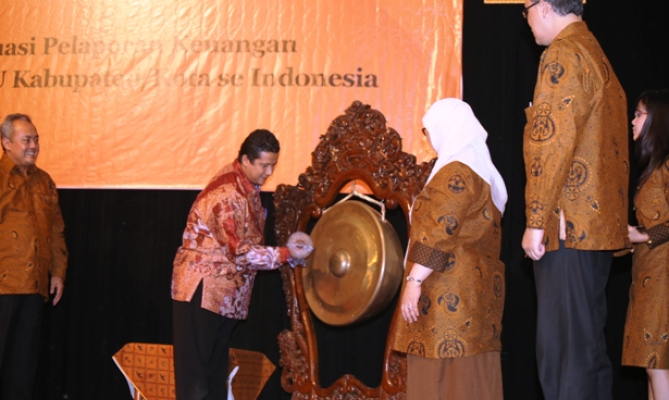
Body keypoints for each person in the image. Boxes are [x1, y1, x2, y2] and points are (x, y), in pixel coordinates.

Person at [520, 1, 630, 399]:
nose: (526, 19)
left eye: (525, 9)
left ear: (544, 8)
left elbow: (550, 142)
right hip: (595, 228)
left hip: (568, 227)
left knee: (564, 356)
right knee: (586, 352)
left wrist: (536, 221)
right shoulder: (595, 53)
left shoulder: (563, 54)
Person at [171, 128, 312, 400]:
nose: (269, 172)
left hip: (222, 296)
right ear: (246, 160)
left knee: (214, 378)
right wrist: (285, 254)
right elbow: (240, 253)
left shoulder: (246, 186)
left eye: (273, 165)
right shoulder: (226, 194)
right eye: (264, 165)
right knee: (195, 382)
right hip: (201, 292)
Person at [391, 98, 508, 400]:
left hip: (446, 301)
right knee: (475, 380)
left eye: (428, 130)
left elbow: (440, 230)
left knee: (442, 382)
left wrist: (414, 280)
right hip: (477, 299)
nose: (428, 138)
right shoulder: (483, 173)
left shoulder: (456, 171)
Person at [0, 114, 68, 399]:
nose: (33, 146)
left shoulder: (44, 181)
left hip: (33, 286)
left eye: (36, 139)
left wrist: (57, 272)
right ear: (6, 143)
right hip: (3, 286)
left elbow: (56, 230)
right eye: (26, 140)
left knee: (23, 367)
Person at [623, 90, 669, 400]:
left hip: (662, 277)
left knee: (657, 365)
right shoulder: (655, 167)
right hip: (649, 275)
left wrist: (642, 235)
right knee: (651, 363)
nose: (633, 120)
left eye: (639, 114)